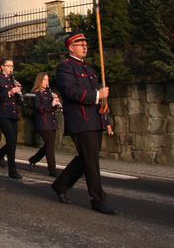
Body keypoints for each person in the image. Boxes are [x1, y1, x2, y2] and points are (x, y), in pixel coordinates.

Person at [50, 33, 116, 215]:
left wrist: (106, 120)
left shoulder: (90, 70)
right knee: (91, 160)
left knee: (87, 157)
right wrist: (97, 95)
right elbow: (70, 91)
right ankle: (98, 199)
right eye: (80, 44)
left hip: (95, 119)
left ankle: (60, 185)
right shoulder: (65, 68)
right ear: (71, 47)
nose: (85, 46)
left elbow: (101, 100)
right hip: (81, 120)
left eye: (86, 43)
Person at [0, 59, 23, 179]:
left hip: (13, 114)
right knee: (11, 139)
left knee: (13, 142)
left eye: (12, 66)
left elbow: (18, 101)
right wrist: (9, 92)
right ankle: (12, 170)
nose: (11, 68)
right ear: (2, 67)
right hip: (2, 113)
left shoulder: (13, 81)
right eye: (9, 66)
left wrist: (18, 93)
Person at [27, 72, 60, 176]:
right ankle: (52, 170)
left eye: (47, 80)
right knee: (50, 146)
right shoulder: (35, 93)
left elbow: (52, 108)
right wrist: (51, 104)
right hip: (43, 122)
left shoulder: (48, 92)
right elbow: (38, 108)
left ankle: (33, 159)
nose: (47, 82)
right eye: (44, 80)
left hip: (51, 121)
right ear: (39, 81)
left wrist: (56, 104)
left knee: (49, 145)